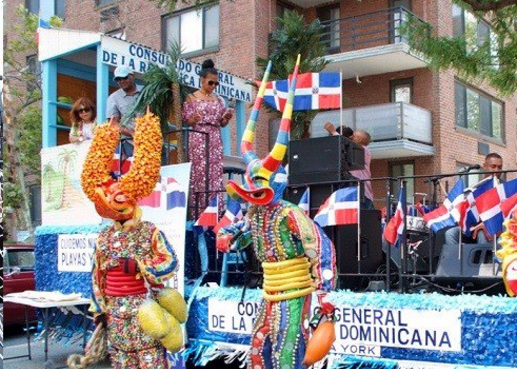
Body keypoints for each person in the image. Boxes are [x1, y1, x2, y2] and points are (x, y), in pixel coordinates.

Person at [182, 59, 233, 217]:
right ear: (202, 80)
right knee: (200, 174)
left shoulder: (218, 99)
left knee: (214, 174)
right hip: (198, 137)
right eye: (211, 82)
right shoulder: (191, 97)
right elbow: (186, 120)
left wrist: (227, 118)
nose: (213, 86)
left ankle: (215, 212)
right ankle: (198, 213)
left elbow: (222, 123)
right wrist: (194, 120)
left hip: (215, 138)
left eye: (216, 84)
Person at [445, 152, 503, 246]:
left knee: (482, 233)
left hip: (495, 227)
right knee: (451, 233)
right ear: (484, 166)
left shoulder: (504, 188)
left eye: (499, 167)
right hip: (473, 226)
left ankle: (486, 260)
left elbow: (508, 215)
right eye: (493, 166)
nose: (497, 170)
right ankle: (456, 260)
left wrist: (486, 224)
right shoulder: (474, 189)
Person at [107, 65, 143, 157]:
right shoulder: (113, 98)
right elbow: (113, 123)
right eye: (118, 79)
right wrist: (131, 133)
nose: (122, 81)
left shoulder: (146, 91)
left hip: (150, 139)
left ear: (132, 76)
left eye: (124, 78)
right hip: (129, 143)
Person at [349, 130, 375, 210]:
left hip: (363, 193)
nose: (350, 137)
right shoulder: (359, 150)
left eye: (353, 136)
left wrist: (334, 132)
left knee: (364, 217)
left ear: (359, 140)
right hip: (358, 190)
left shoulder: (363, 150)